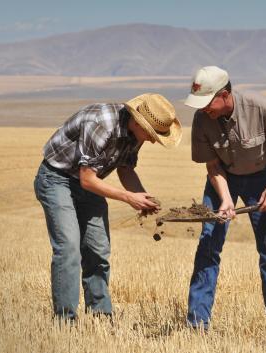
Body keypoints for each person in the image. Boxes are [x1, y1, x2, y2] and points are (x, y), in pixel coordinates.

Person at [34, 93, 182, 321]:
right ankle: (65, 321)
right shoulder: (101, 124)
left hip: (89, 184)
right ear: (137, 121)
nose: (153, 140)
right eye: (152, 134)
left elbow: (125, 168)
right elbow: (87, 179)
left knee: (98, 249)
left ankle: (101, 316)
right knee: (69, 247)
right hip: (57, 179)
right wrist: (128, 198)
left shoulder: (135, 134)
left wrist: (142, 197)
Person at [183, 66, 266, 330]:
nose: (203, 110)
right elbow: (212, 166)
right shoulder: (202, 119)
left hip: (261, 179)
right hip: (222, 178)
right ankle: (197, 324)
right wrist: (225, 199)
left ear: (224, 95)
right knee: (208, 248)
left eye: (207, 103)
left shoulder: (261, 107)